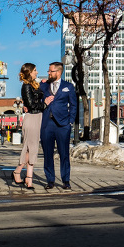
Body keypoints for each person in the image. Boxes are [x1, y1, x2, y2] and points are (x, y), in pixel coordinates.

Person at [40, 61, 79, 190]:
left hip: (63, 125)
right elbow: (36, 99)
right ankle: (50, 180)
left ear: (58, 72)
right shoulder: (43, 85)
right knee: (48, 153)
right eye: (49, 71)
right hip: (47, 124)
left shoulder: (68, 86)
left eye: (51, 71)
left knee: (64, 154)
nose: (48, 73)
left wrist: (70, 121)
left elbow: (74, 105)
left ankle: (66, 180)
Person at [12, 63, 46, 189]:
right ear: (30, 72)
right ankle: (26, 177)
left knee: (31, 149)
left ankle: (20, 173)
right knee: (30, 148)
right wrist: (45, 104)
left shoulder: (33, 85)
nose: (37, 72)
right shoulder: (26, 86)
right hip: (32, 118)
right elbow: (31, 105)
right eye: (35, 70)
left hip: (37, 118)